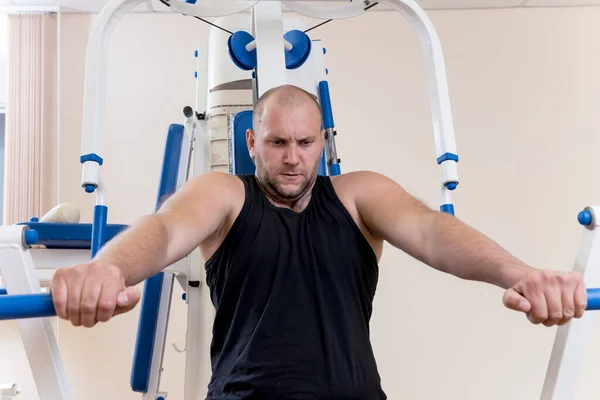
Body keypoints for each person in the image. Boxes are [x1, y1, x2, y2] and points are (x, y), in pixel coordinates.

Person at [50, 84, 587, 399]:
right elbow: (166, 227)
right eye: (278, 142)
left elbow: (432, 230)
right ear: (251, 142)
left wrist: (521, 274)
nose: (292, 157)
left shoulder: (359, 196)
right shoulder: (225, 196)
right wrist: (109, 269)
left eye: (306, 142)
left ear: (323, 141)